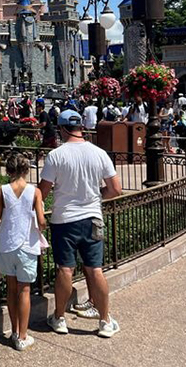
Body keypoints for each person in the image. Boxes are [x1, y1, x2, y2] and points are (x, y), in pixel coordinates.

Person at [38, 109, 123, 338]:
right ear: (80, 127)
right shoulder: (98, 153)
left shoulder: (56, 155)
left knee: (65, 269)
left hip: (64, 220)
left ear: (62, 129)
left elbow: (42, 191)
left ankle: (60, 318)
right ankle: (105, 321)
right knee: (95, 269)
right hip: (93, 217)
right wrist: (96, 196)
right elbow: (115, 189)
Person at [0, 154, 46, 351]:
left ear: (8, 171)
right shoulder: (35, 192)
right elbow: (41, 220)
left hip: (7, 244)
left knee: (11, 289)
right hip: (26, 244)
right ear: (26, 170)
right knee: (25, 290)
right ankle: (23, 336)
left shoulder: (2, 190)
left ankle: (14, 331)